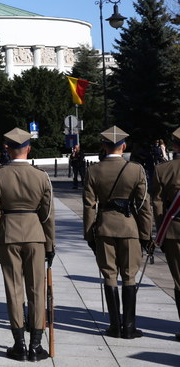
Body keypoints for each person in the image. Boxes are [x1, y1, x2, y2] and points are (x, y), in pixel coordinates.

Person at [0, 128, 55, 361]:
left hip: (8, 235)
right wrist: (50, 243)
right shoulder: (41, 176)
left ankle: (19, 344)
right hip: (36, 235)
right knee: (37, 289)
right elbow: (47, 214)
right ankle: (35, 345)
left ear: (7, 148)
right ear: (29, 148)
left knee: (14, 290)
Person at [83, 126, 152, 339]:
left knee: (109, 275)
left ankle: (114, 326)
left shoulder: (93, 171)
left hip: (104, 228)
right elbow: (143, 206)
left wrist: (89, 234)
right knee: (129, 276)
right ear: (124, 146)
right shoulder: (136, 170)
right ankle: (129, 327)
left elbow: (88, 206)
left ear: (104, 146)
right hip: (130, 228)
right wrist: (146, 234)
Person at [153, 127, 180, 341]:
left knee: (179, 281)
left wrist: (161, 226)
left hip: (173, 231)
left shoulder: (163, 170)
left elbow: (157, 203)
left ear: (174, 146)